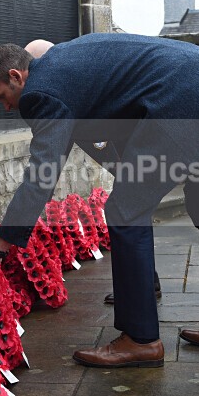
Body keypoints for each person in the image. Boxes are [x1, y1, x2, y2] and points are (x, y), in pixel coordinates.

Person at [0, 33, 199, 368]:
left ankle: (140, 339)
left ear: (16, 76)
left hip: (183, 100)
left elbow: (42, 175)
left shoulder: (42, 90)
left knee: (124, 211)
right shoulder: (68, 65)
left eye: (3, 97)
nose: (8, 107)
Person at [24, 39, 162, 305]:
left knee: (127, 213)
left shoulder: (77, 86)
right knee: (128, 213)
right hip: (124, 157)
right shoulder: (63, 93)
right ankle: (144, 284)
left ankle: (141, 289)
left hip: (138, 148)